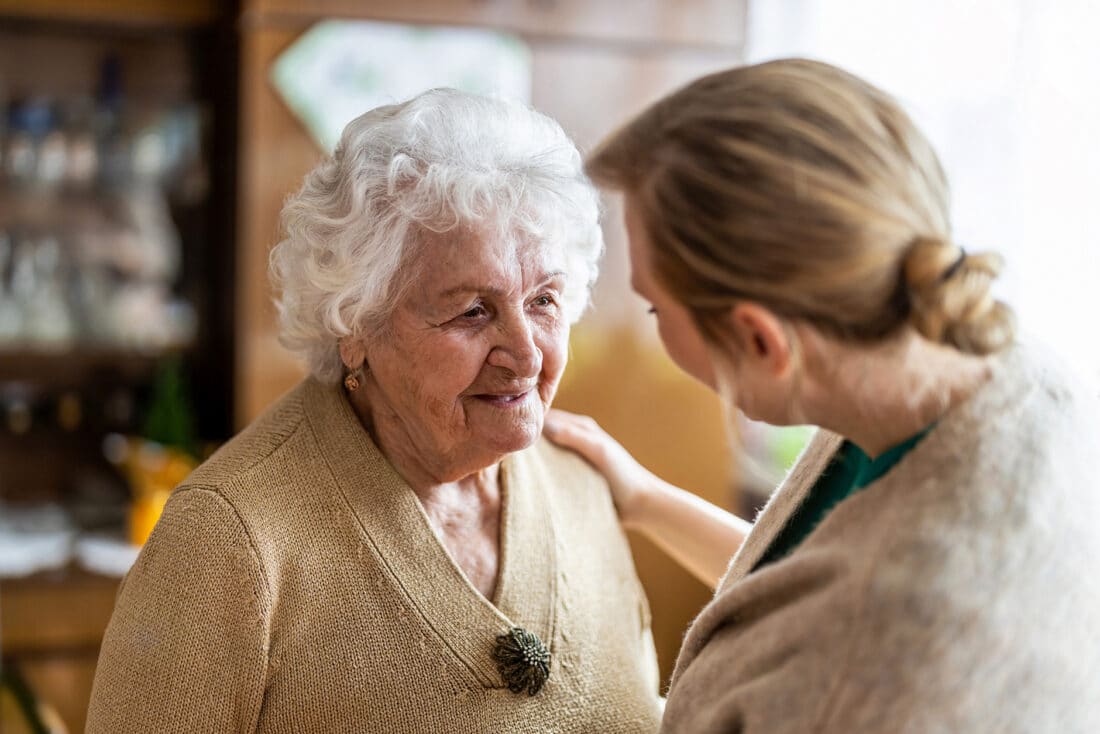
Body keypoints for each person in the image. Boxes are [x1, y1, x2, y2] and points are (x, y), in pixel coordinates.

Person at [545, 58, 1100, 733]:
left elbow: (845, 628)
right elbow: (807, 590)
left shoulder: (879, 664)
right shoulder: (990, 366)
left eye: (656, 309)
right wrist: (646, 500)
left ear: (760, 341)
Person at [86, 89, 661, 733]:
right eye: (473, 310)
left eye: (545, 301)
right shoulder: (229, 541)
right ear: (355, 324)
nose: (525, 356)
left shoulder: (582, 486)